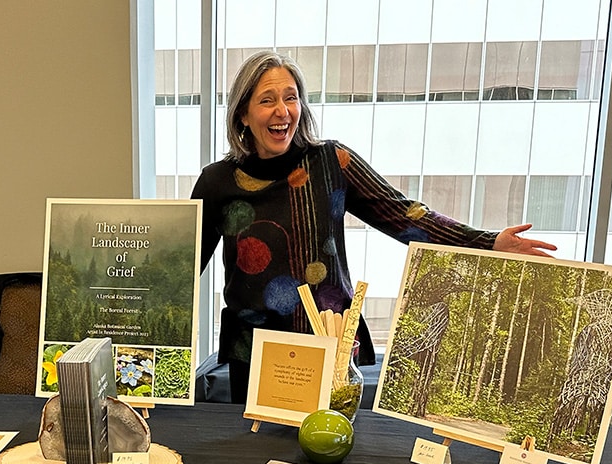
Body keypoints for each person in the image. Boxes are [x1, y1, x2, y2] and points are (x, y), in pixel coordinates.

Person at [192, 50, 556, 404]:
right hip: (255, 350)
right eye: (267, 100)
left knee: (327, 452)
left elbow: (405, 216)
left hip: (326, 340)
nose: (282, 111)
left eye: (291, 98)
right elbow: (184, 268)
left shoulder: (332, 162)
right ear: (242, 114)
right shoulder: (217, 182)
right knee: (255, 455)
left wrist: (487, 243)